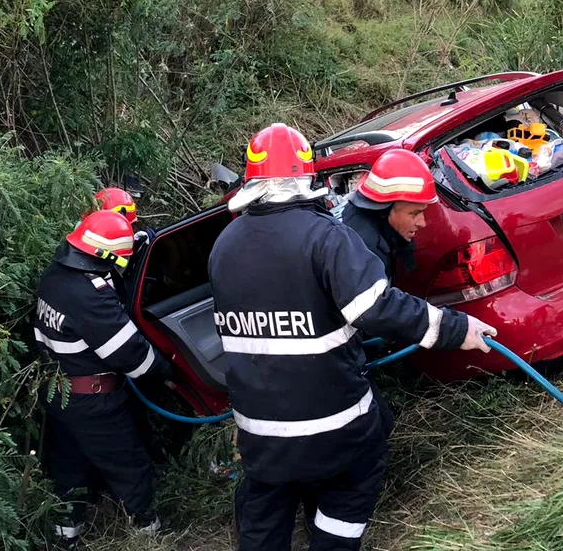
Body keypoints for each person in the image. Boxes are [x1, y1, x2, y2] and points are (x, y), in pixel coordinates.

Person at [209, 123, 497, 551]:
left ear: (252, 180)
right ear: (307, 176)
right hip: (335, 430)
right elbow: (376, 308)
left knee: (263, 516)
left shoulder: (223, 245)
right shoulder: (326, 236)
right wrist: (457, 328)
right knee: (350, 490)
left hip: (261, 436)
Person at [34, 210, 171, 548]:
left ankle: (65, 538)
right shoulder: (90, 296)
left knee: (69, 469)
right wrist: (166, 373)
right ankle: (147, 531)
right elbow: (132, 355)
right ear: (104, 257)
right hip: (94, 401)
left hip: (61, 393)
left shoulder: (55, 277)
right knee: (130, 464)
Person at [338, 149, 437, 285]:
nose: (422, 223)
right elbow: (379, 305)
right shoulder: (363, 254)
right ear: (384, 210)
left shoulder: (362, 222)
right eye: (414, 213)